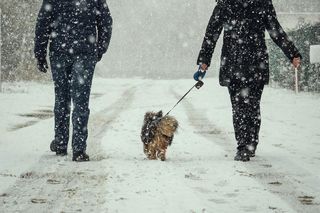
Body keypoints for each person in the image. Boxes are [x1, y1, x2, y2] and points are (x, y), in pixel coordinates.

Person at [197, 0, 301, 161]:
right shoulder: (225, 4)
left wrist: (292, 53)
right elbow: (212, 33)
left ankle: (250, 143)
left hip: (251, 64)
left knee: (251, 105)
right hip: (237, 64)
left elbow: (275, 29)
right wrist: (204, 61)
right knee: (240, 107)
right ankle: (244, 145)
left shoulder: (261, 3)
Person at [34, 0, 112, 161]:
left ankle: (61, 143)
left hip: (59, 51)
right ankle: (79, 149)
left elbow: (43, 22)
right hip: (85, 52)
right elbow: (105, 21)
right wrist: (99, 49)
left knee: (62, 98)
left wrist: (40, 53)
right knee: (81, 102)